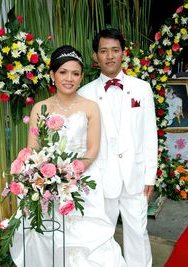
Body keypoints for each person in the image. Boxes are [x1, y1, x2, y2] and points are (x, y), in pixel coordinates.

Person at [10, 45, 127, 267]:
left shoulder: (90, 107)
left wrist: (70, 174)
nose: (69, 78)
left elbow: (92, 149)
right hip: (48, 184)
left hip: (82, 182)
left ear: (81, 76)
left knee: (90, 241)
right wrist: (48, 178)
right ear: (52, 75)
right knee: (47, 237)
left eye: (75, 73)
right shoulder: (39, 108)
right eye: (63, 72)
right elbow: (33, 150)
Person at [78, 28, 158, 267]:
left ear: (123, 53)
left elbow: (149, 134)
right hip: (101, 179)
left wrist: (150, 175)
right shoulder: (85, 93)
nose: (110, 56)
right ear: (95, 56)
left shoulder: (142, 88)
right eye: (104, 51)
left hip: (135, 177)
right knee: (101, 236)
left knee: (138, 233)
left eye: (115, 50)